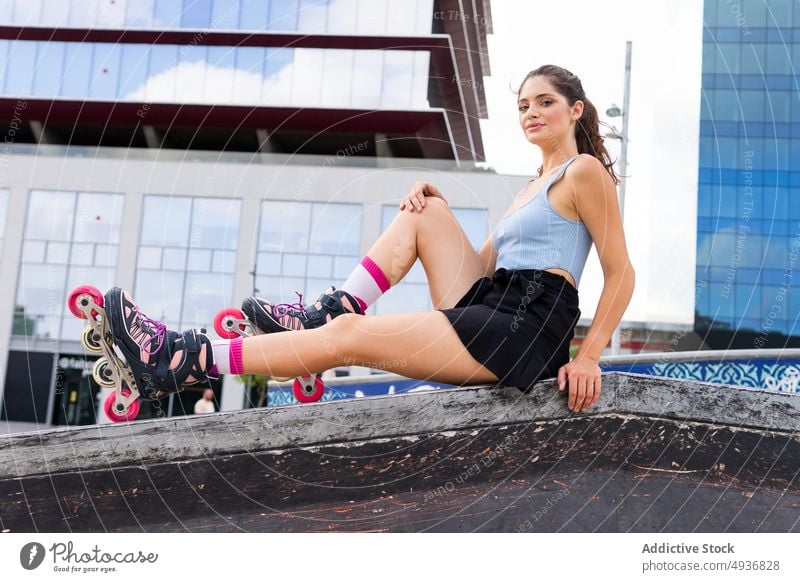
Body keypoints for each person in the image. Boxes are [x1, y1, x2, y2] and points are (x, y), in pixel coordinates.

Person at [101, 64, 635, 414]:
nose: (531, 114)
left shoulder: (584, 171)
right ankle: (329, 310)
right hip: (494, 302)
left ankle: (180, 360)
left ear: (575, 110)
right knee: (424, 210)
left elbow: (621, 272)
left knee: (353, 335)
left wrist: (587, 357)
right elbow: (484, 266)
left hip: (526, 326)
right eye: (523, 106)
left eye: (544, 103)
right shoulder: (531, 187)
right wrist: (438, 209)